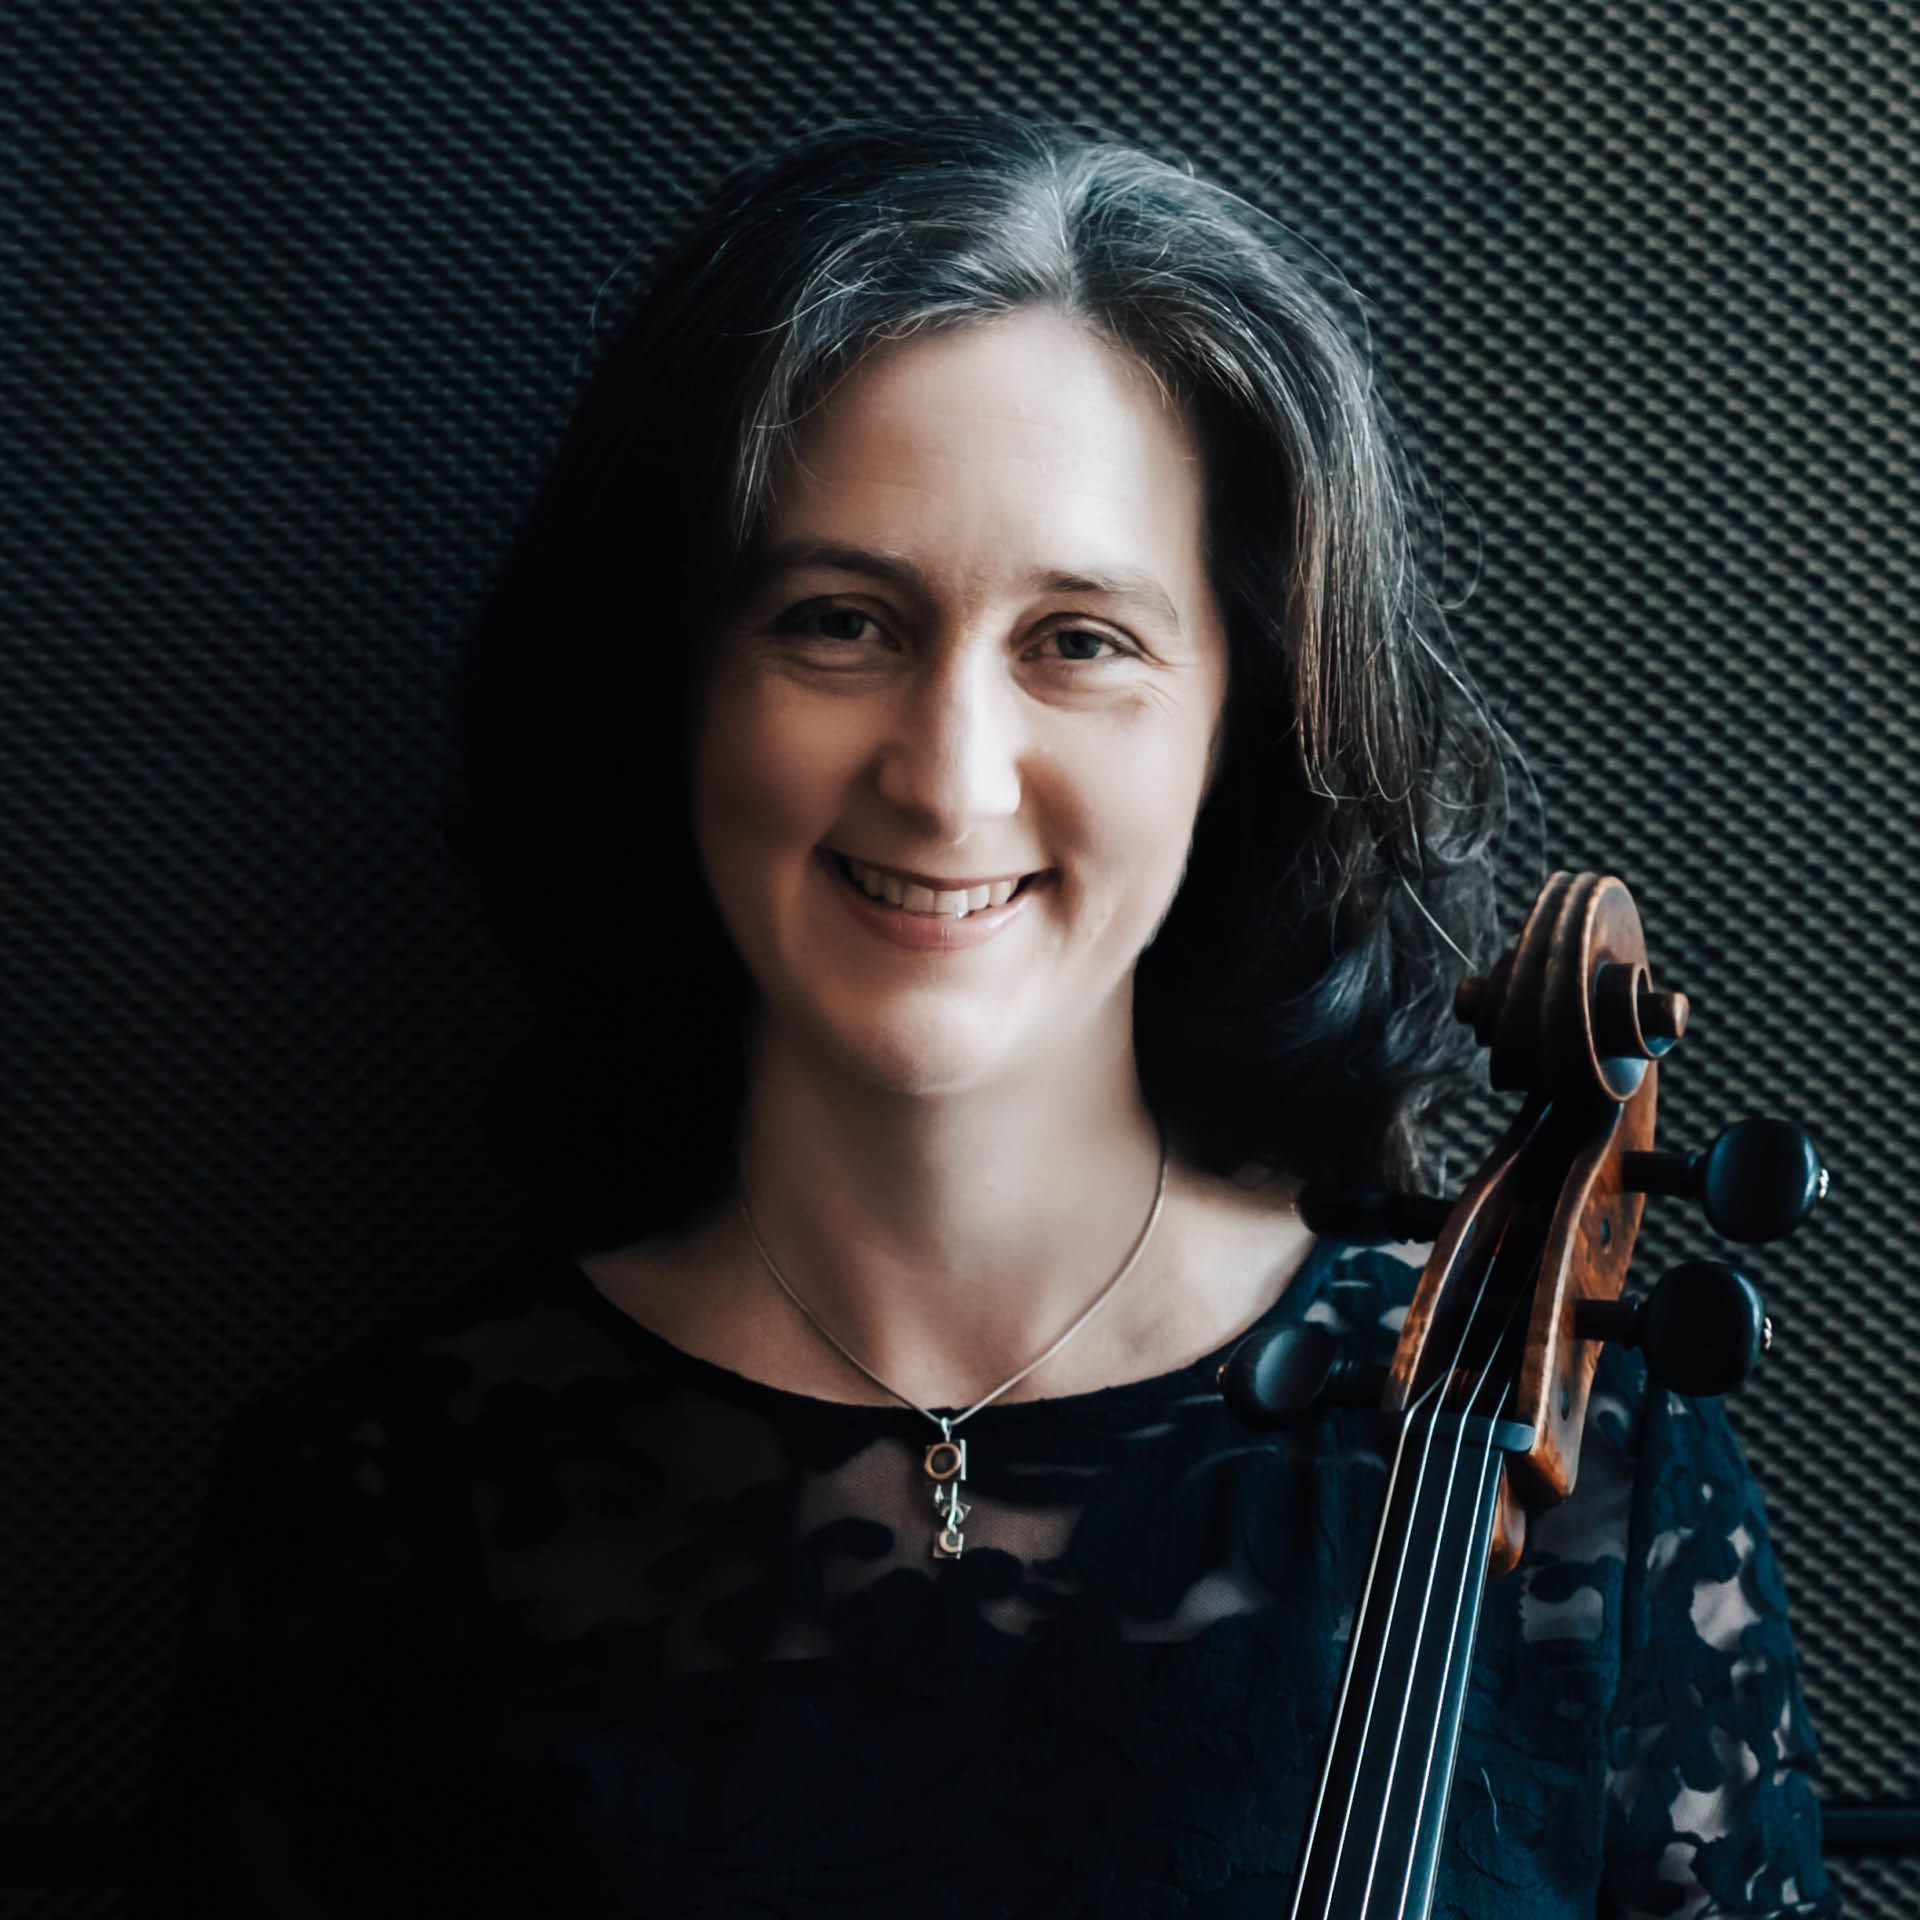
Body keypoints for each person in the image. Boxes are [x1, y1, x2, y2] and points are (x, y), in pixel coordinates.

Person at [130, 110, 1839, 1917]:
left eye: (1078, 640)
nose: (948, 779)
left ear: (1242, 721)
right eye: (837, 621)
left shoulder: (1592, 1485)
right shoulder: (375, 1509)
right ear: (673, 683)